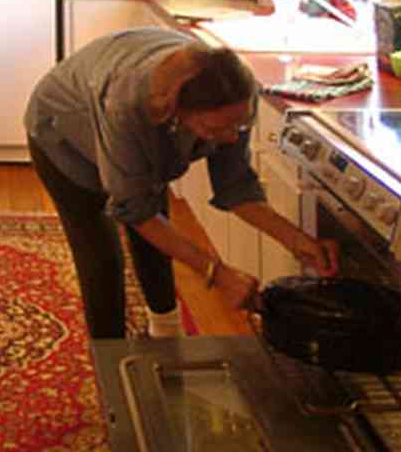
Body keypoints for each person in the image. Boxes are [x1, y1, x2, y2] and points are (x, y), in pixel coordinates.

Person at [23, 27, 338, 338]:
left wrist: (296, 240)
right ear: (178, 113)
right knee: (101, 257)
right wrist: (218, 274)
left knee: (155, 236)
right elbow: (137, 212)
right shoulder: (127, 105)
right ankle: (110, 360)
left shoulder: (235, 94)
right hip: (63, 133)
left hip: (126, 105)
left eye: (238, 125)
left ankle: (165, 333)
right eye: (215, 128)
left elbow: (236, 187)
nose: (230, 137)